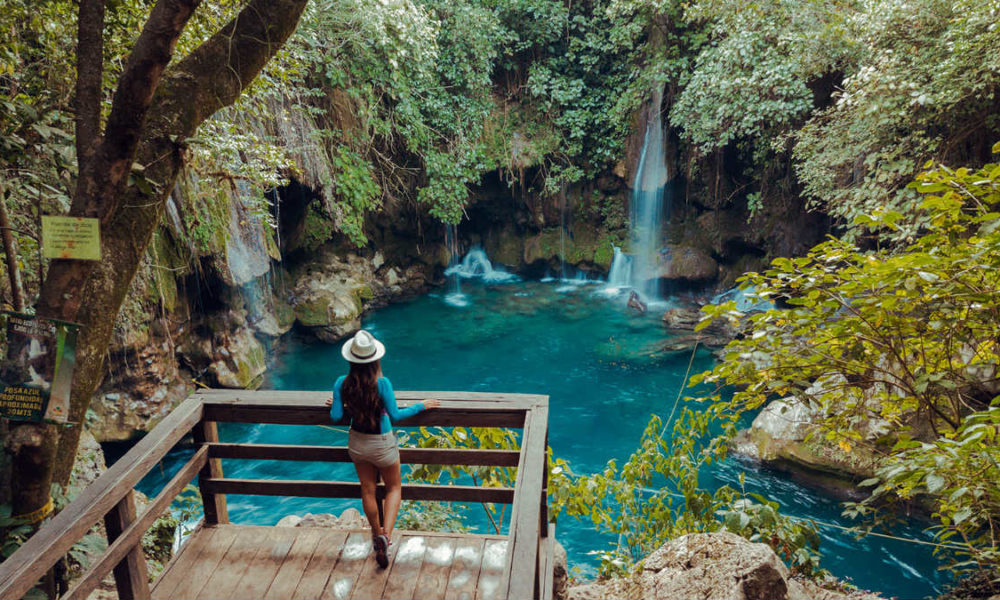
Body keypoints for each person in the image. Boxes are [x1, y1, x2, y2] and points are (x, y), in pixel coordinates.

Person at [325, 330, 440, 569]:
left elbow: (336, 416)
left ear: (351, 359)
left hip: (357, 443)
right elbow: (396, 415)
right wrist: (422, 405)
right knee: (394, 488)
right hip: (383, 443)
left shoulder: (341, 383)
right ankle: (385, 537)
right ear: (375, 359)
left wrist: (342, 403)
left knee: (368, 489)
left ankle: (375, 532)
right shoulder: (383, 384)